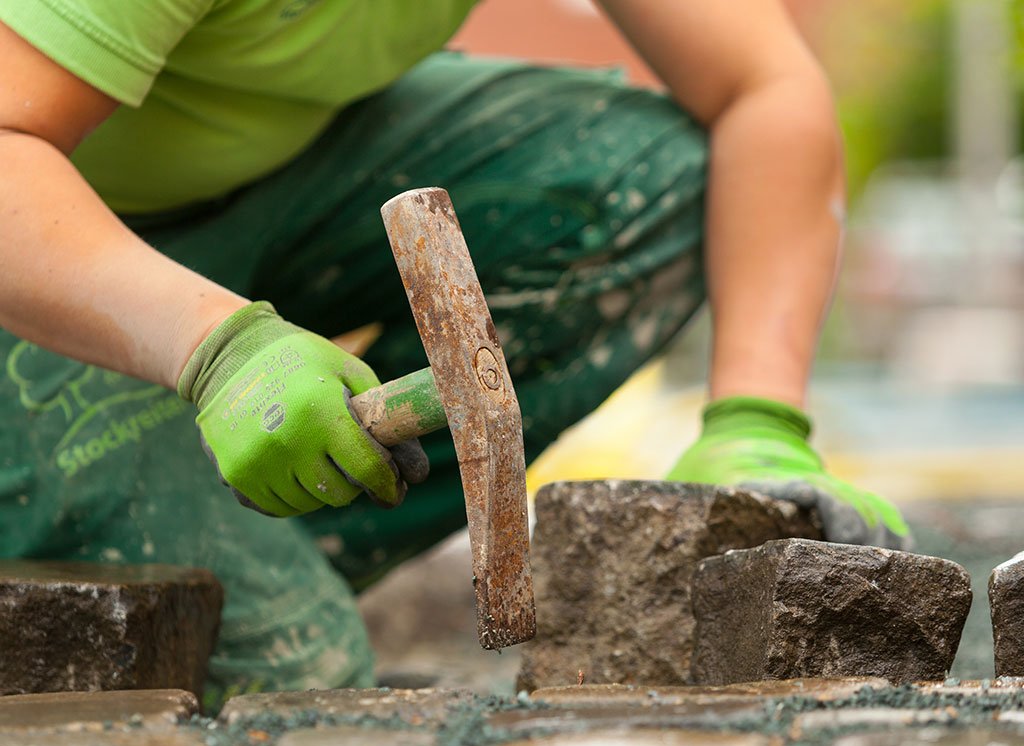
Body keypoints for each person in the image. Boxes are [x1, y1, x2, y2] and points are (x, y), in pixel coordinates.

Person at [0, 0, 909, 706]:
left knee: (638, 182)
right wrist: (215, 346)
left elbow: (767, 89)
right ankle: (173, 516)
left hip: (265, 170)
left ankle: (278, 501)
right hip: (44, 231)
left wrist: (756, 421)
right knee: (289, 663)